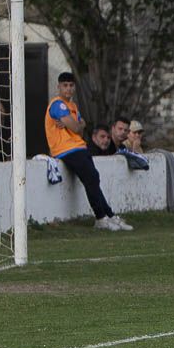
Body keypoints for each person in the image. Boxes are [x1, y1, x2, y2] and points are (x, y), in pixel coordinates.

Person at [45, 72, 132, 231]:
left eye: (71, 85)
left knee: (93, 178)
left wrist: (78, 124)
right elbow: (77, 126)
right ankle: (101, 218)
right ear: (58, 87)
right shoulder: (59, 105)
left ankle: (109, 216)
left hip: (78, 146)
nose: (68, 89)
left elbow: (78, 131)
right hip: (65, 149)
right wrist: (79, 123)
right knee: (92, 177)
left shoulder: (73, 106)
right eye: (65, 85)